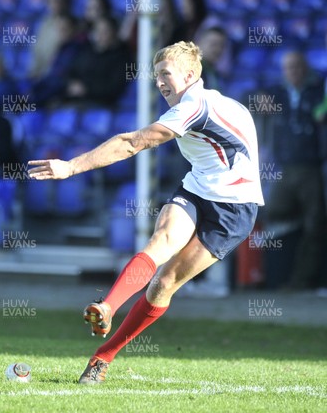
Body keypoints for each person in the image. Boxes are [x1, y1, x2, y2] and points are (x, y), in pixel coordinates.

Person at [28, 41, 264, 384]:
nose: (159, 82)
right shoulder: (204, 103)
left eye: (165, 74)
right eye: (156, 76)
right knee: (160, 242)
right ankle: (107, 306)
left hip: (235, 210)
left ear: (190, 75)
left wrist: (70, 167)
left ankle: (102, 357)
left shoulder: (196, 105)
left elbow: (132, 143)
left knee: (164, 283)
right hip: (198, 189)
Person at [262, 51, 326, 290]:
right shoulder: (275, 92)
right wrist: (259, 99)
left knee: (315, 224)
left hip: (312, 167)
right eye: (289, 67)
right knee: (273, 214)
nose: (294, 71)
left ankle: (303, 280)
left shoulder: (319, 89)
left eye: (298, 66)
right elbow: (245, 97)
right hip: (283, 168)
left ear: (305, 67)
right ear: (283, 70)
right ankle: (270, 275)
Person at [65, 16, 129, 108]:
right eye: (97, 31)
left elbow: (113, 89)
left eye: (105, 31)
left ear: (114, 32)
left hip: (100, 104)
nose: (100, 35)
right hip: (75, 100)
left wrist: (86, 89)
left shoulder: (122, 57)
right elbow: (71, 71)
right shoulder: (87, 51)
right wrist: (71, 84)